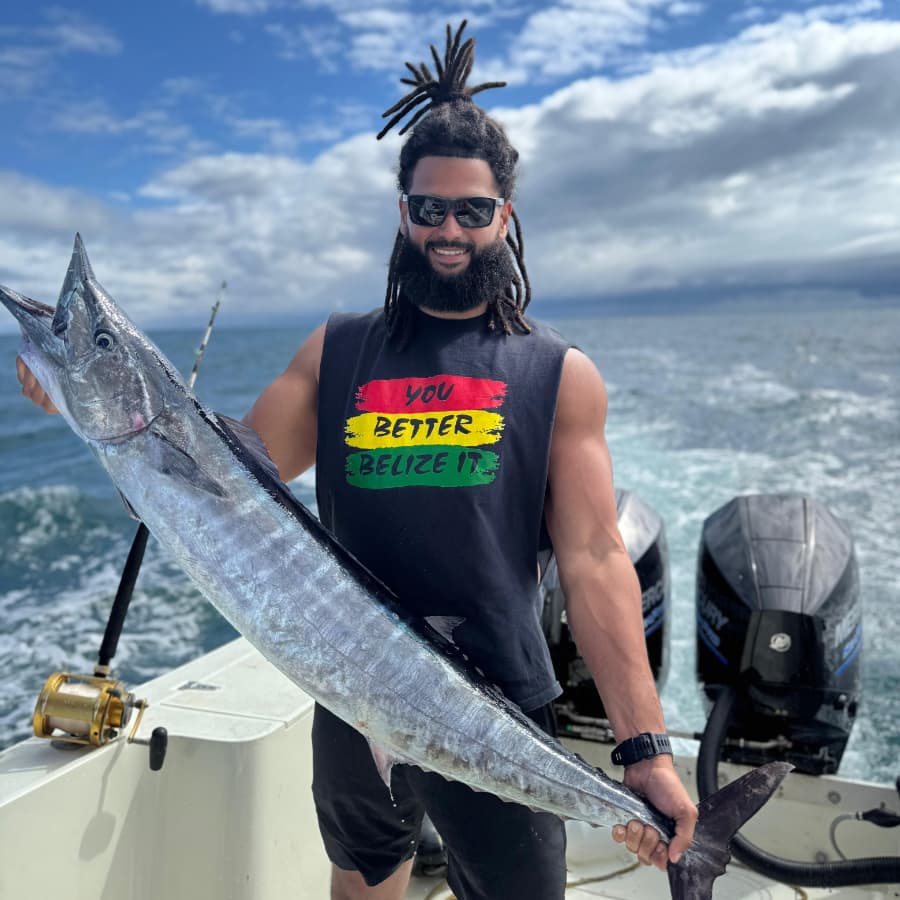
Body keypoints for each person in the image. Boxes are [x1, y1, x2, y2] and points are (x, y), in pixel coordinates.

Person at [16, 21, 697, 900]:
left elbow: (598, 558)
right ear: (401, 212)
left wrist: (644, 750)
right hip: (345, 687)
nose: (448, 229)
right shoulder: (333, 352)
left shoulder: (558, 374)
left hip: (496, 701)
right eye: (428, 208)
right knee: (365, 876)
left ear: (505, 217)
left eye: (472, 210)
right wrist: (86, 399)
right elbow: (229, 484)